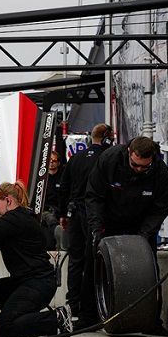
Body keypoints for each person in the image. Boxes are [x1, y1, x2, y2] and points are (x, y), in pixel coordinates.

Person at [80, 135, 168, 330]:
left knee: (149, 268)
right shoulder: (109, 160)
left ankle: (152, 320)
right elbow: (94, 196)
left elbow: (161, 207)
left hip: (140, 223)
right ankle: (88, 317)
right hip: (107, 220)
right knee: (93, 265)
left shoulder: (160, 172)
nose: (139, 170)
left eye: (143, 167)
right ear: (129, 152)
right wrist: (96, 229)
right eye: (135, 165)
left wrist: (145, 235)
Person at [0, 182, 73, 337]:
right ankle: (23, 318)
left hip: (38, 283)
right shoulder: (21, 215)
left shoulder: (15, 219)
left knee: (5, 328)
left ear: (8, 201)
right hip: (27, 280)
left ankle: (56, 319)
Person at [58, 123, 113, 317]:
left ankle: (73, 303)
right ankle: (90, 308)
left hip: (74, 214)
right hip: (93, 216)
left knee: (75, 261)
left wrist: (63, 214)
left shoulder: (76, 159)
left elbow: (63, 188)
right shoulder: (108, 159)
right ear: (107, 137)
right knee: (93, 261)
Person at [40, 151, 63, 250]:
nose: (52, 163)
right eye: (49, 160)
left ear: (58, 163)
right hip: (45, 210)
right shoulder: (41, 178)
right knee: (50, 219)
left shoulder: (63, 177)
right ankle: (58, 235)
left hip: (60, 209)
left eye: (54, 160)